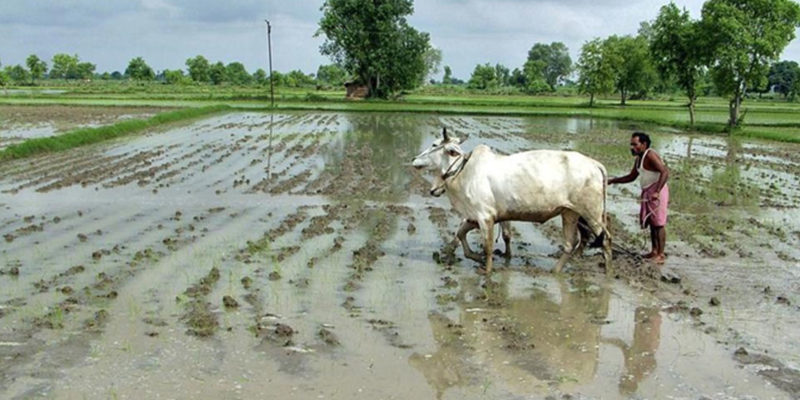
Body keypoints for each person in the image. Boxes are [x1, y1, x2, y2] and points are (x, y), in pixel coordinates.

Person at [608, 132, 670, 264]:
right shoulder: (639, 159)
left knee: (659, 224)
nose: (632, 147)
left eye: (635, 144)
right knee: (652, 223)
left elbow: (665, 172)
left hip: (657, 191)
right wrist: (613, 180)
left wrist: (657, 191)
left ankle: (661, 254)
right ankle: (654, 251)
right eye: (631, 144)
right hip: (648, 191)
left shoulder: (650, 155)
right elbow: (631, 177)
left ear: (644, 144)